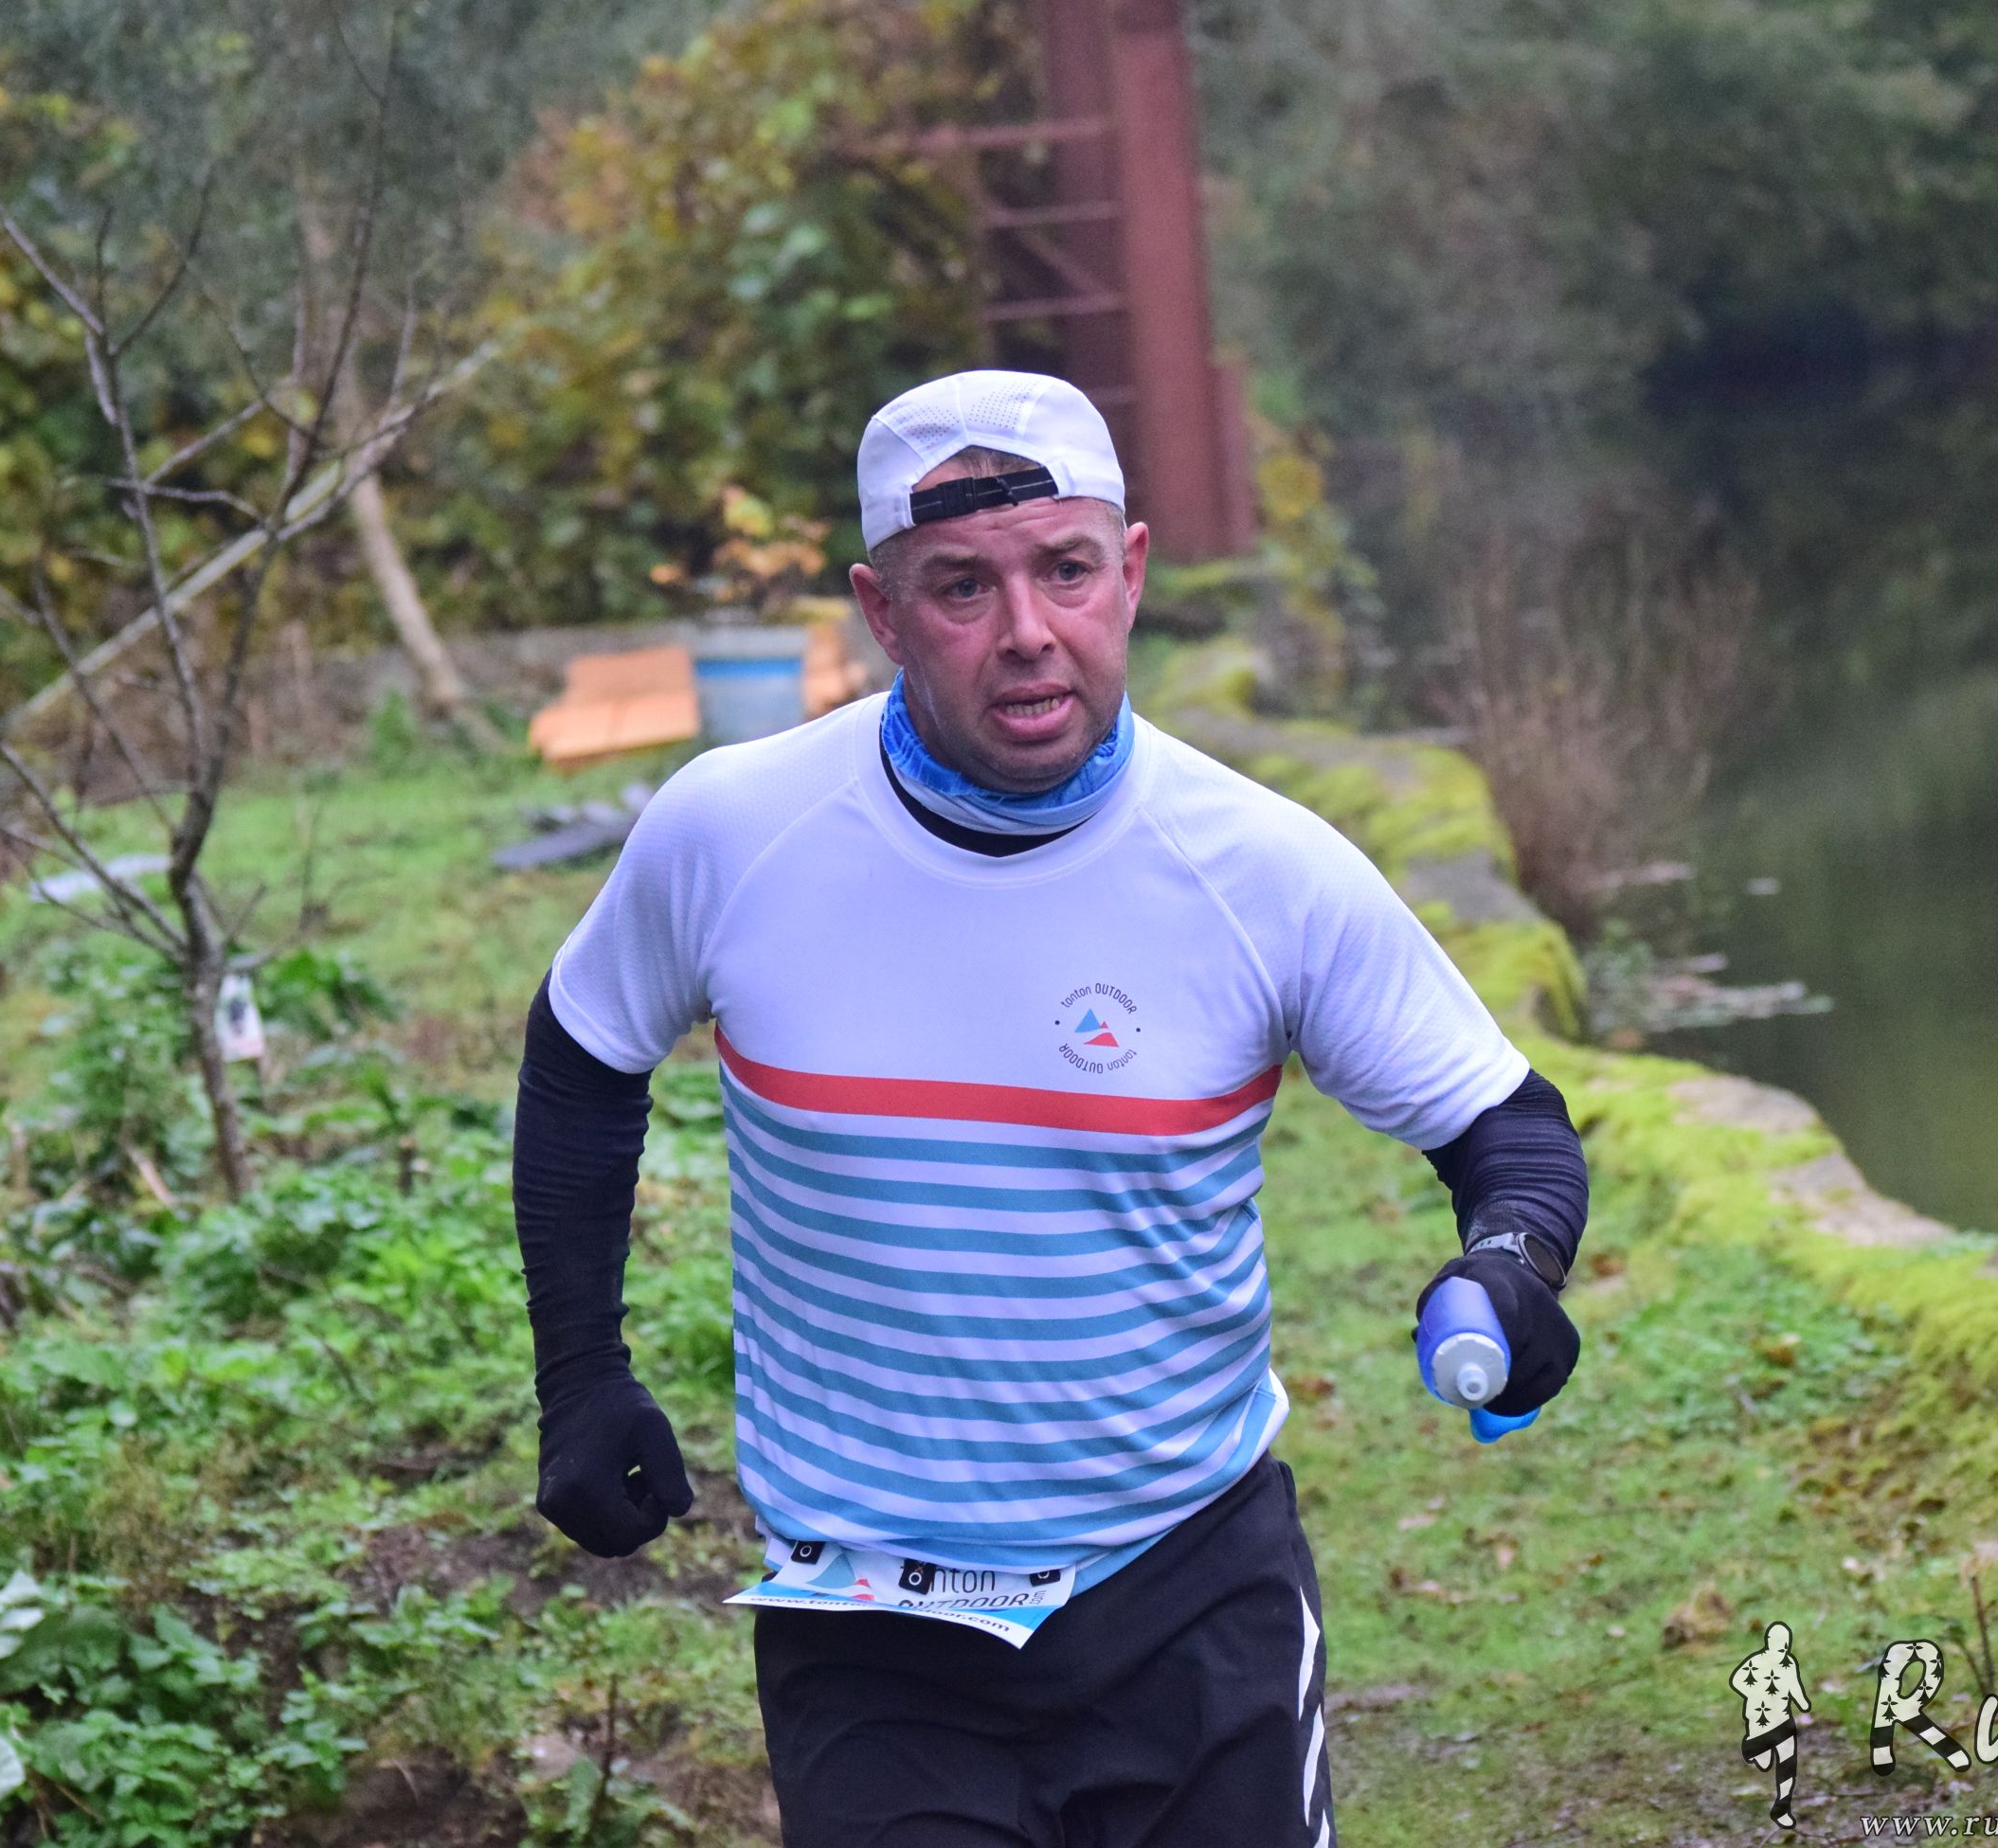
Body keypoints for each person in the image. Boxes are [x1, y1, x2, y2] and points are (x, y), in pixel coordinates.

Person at [512, 369, 1590, 1847]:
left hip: (1188, 1597)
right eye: (962, 586)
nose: (1027, 630)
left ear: (1129, 573)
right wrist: (580, 1372)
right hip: (871, 1629)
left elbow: (1508, 1132)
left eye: (1065, 570)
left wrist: (1512, 1268)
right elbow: (582, 1054)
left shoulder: (1260, 867)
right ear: (882, 615)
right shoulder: (732, 833)